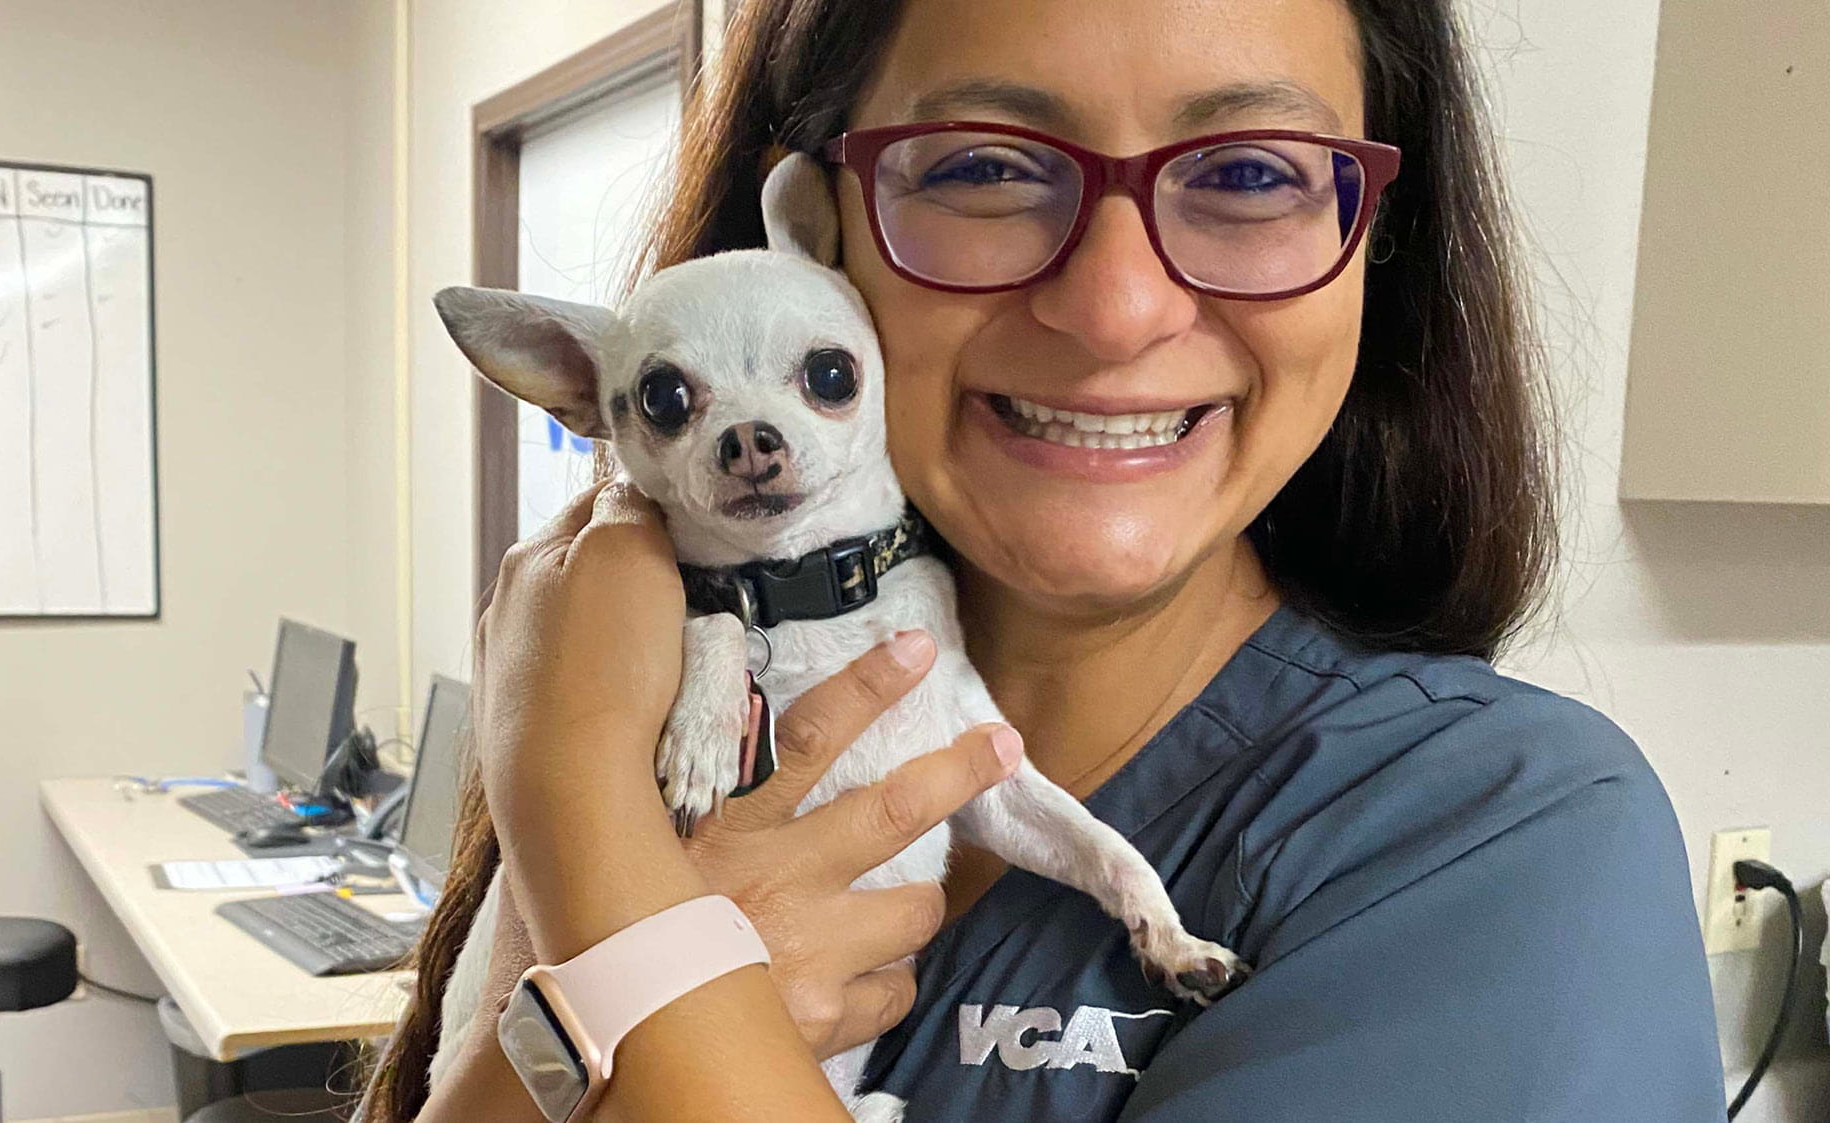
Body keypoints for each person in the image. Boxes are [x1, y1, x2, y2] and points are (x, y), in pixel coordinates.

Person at [363, 0, 1728, 1119]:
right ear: (827, 237)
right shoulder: (666, 696)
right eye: (983, 167)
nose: (1118, 309)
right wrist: (564, 1003)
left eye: (1250, 173)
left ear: (1376, 248)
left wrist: (597, 859)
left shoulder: (1500, 847)